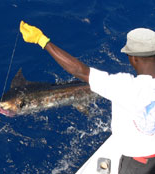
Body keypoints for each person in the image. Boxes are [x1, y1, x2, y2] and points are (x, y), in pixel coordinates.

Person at [19, 21, 155, 174]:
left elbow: (79, 70)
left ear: (133, 59)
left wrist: (41, 40)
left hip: (137, 164)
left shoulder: (123, 85)